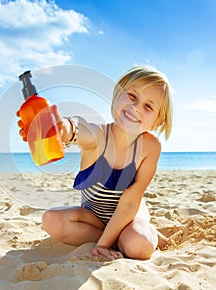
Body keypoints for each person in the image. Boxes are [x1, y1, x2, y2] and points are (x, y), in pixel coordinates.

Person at [17, 65, 173, 260]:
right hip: (94, 218)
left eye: (148, 106)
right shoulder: (99, 136)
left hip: (129, 217)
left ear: (158, 122)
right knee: (51, 220)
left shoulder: (150, 147)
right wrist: (58, 127)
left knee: (138, 246)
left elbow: (130, 202)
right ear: (117, 95)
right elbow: (77, 128)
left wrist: (102, 245)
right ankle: (117, 240)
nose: (136, 108)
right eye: (132, 96)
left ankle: (131, 236)